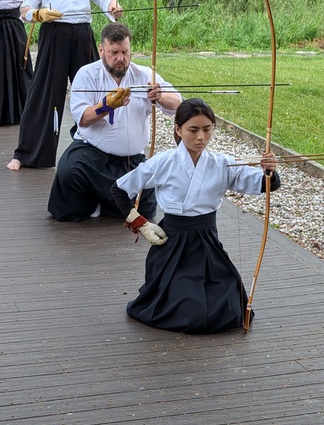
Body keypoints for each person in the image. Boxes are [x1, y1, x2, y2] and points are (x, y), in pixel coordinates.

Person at [109, 98, 281, 334]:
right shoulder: (164, 162)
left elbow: (266, 185)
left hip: (208, 244)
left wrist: (270, 170)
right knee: (190, 310)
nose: (201, 137)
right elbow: (119, 189)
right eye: (193, 130)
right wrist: (140, 224)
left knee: (231, 308)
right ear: (178, 130)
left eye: (207, 129)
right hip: (171, 245)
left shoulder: (223, 164)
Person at [47, 21, 181, 222]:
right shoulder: (87, 74)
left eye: (125, 52)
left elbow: (178, 104)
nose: (120, 58)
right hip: (92, 154)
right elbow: (82, 118)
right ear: (101, 50)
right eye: (114, 52)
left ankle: (101, 203)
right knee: (69, 173)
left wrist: (159, 96)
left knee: (144, 207)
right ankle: (98, 202)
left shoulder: (144, 75)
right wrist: (106, 106)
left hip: (131, 158)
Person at [7, 0, 123, 171]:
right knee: (44, 94)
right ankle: (27, 154)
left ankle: (100, 150)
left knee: (92, 91)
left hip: (82, 37)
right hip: (54, 36)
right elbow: (24, 9)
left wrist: (113, 6)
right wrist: (38, 14)